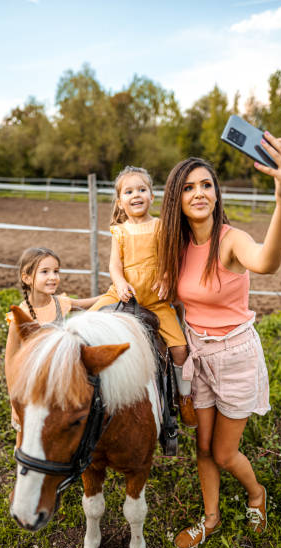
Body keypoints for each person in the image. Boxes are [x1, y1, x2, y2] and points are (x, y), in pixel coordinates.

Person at [157, 132, 281, 548]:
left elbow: (267, 262)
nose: (199, 192)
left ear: (217, 194)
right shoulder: (177, 246)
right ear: (176, 199)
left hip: (236, 356)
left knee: (222, 453)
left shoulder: (231, 240)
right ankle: (211, 517)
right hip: (197, 356)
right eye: (188, 187)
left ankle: (257, 494)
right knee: (201, 448)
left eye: (206, 184)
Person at [90, 165, 197, 427]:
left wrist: (166, 277)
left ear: (152, 196)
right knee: (86, 325)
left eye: (142, 189)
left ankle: (184, 397)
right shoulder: (120, 231)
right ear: (120, 201)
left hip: (156, 300)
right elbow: (115, 265)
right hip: (124, 294)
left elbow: (171, 258)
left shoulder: (160, 227)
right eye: (129, 191)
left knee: (180, 348)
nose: (136, 194)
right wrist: (120, 282)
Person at [5, 246, 100, 441]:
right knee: (27, 435)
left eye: (56, 271)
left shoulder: (60, 303)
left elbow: (89, 303)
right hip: (32, 385)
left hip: (58, 379)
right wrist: (15, 404)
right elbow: (10, 361)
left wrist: (114, 293)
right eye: (45, 272)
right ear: (27, 278)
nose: (53, 277)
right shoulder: (20, 317)